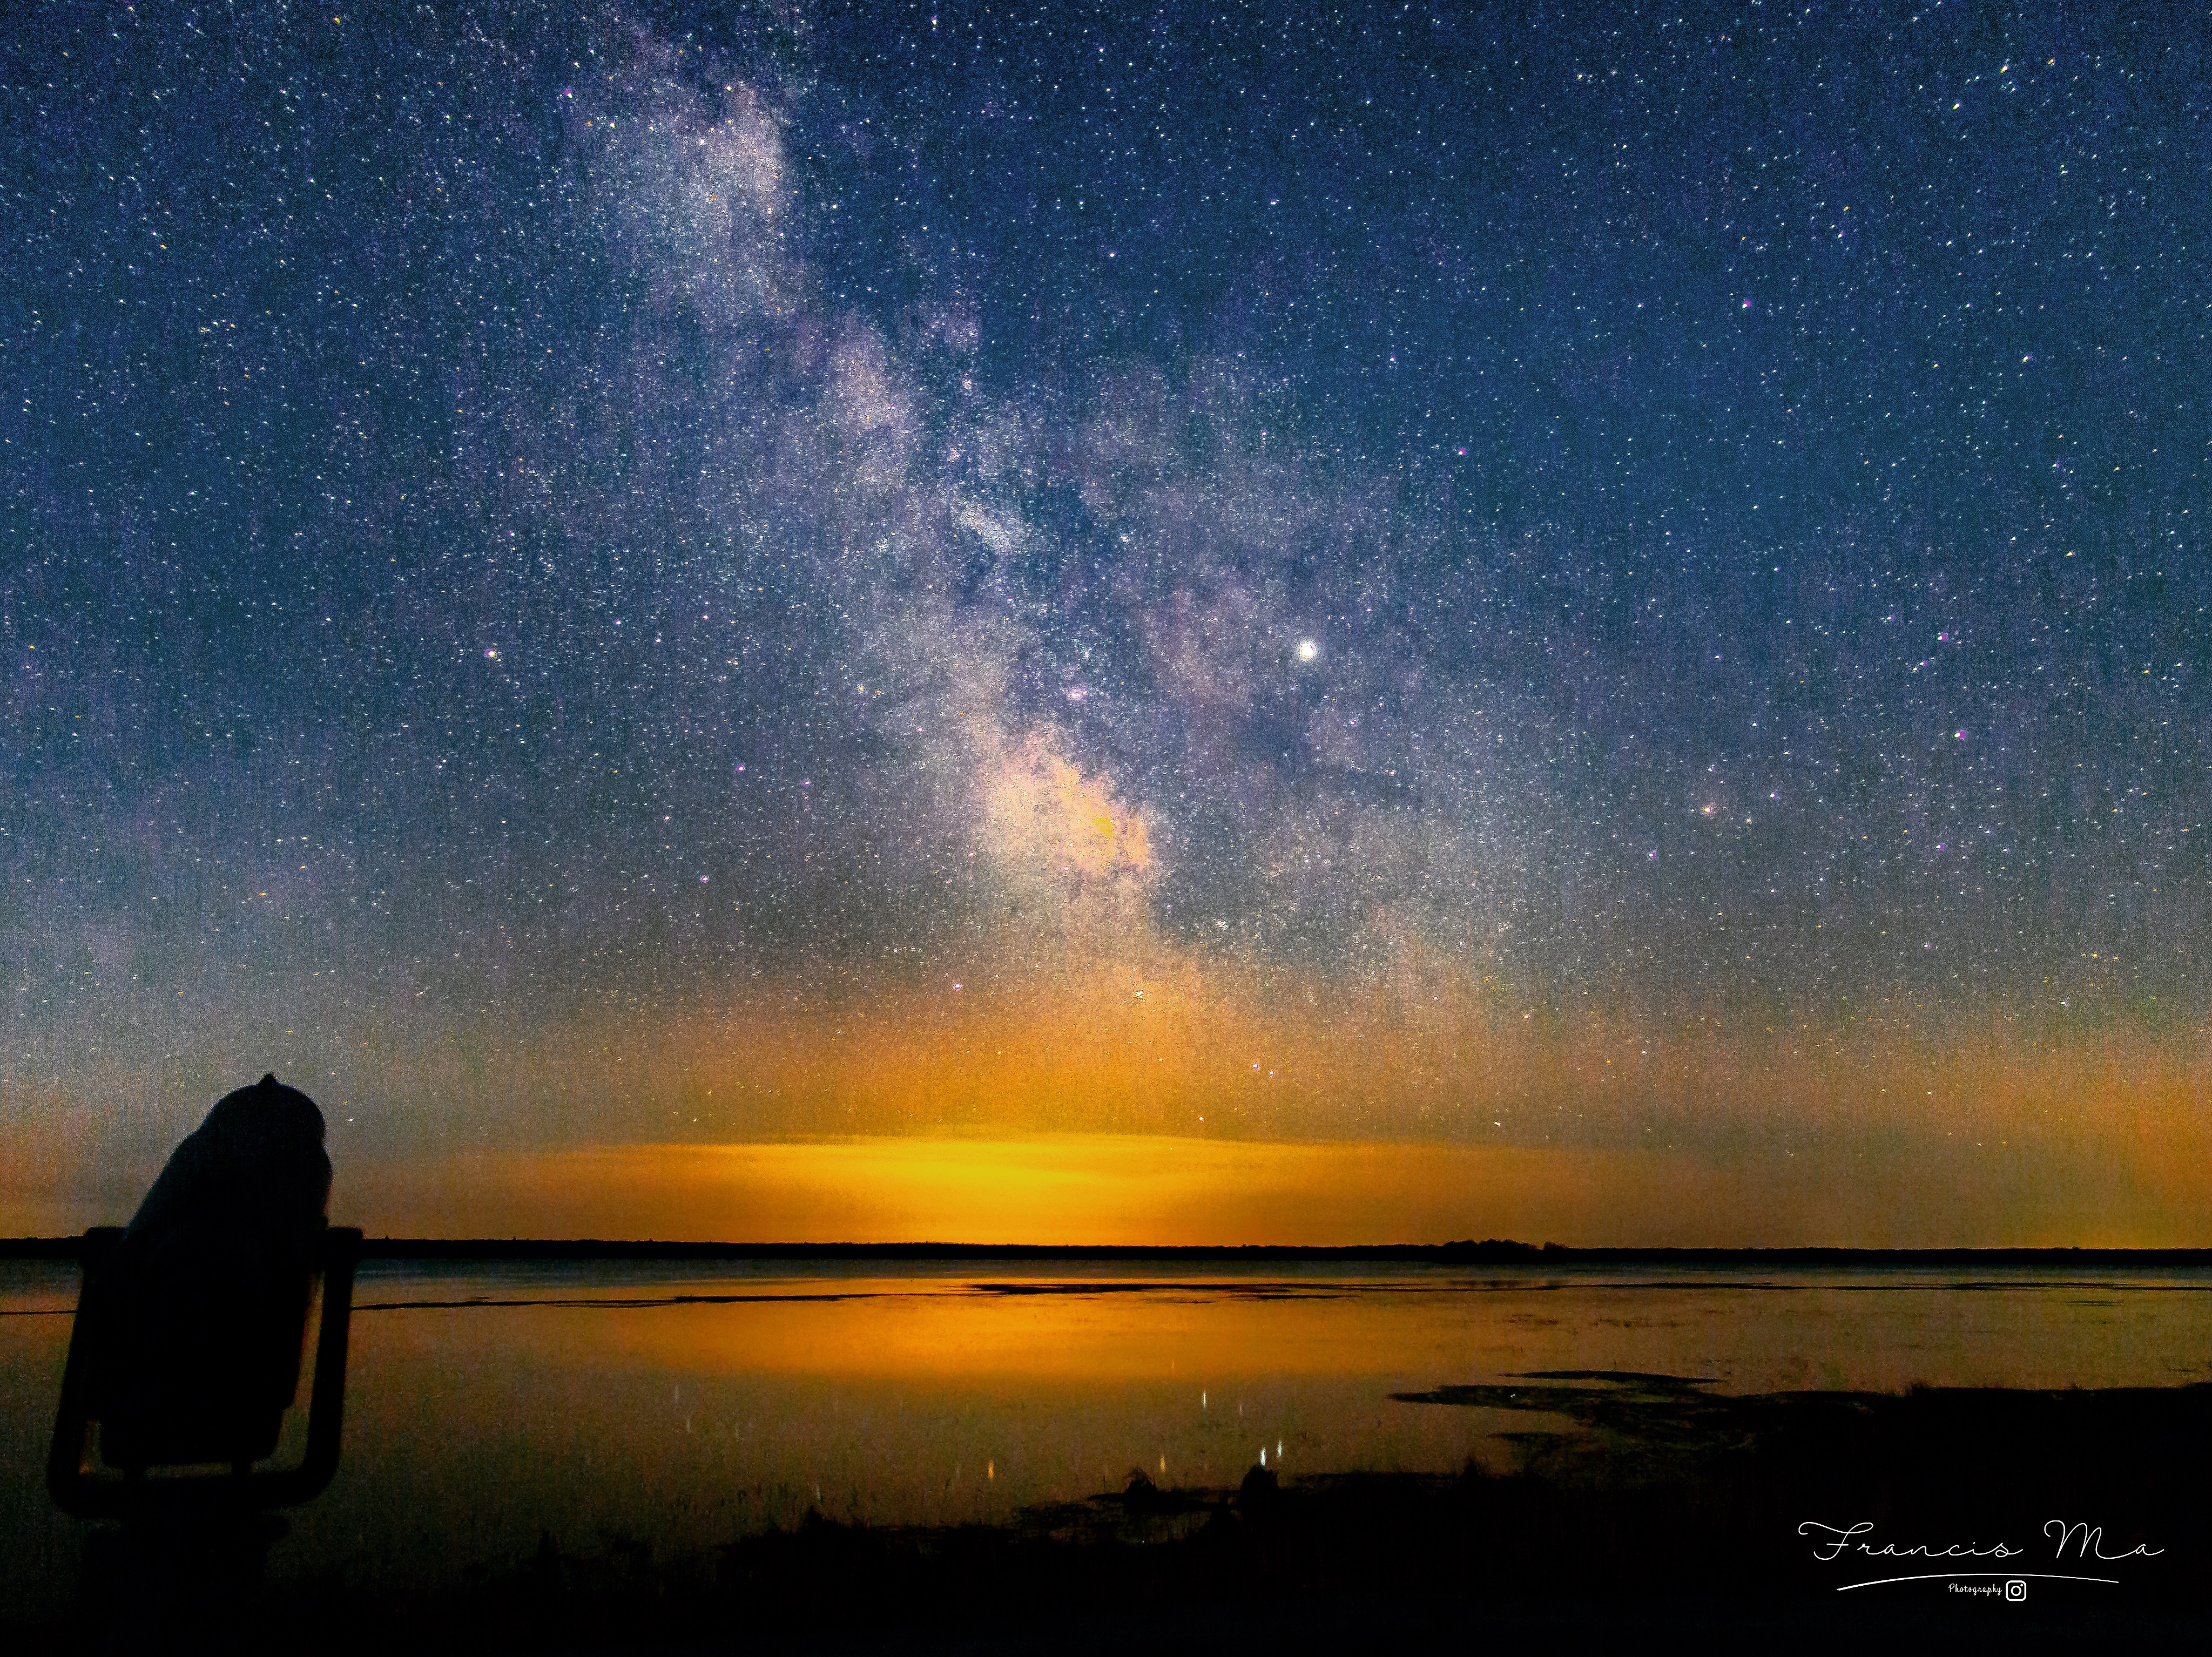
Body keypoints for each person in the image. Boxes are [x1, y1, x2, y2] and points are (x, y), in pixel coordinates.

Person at [87, 1074, 333, 1470]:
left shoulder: (201, 1157)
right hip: (246, 1419)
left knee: (129, 1446)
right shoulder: (300, 1161)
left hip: (132, 1418)